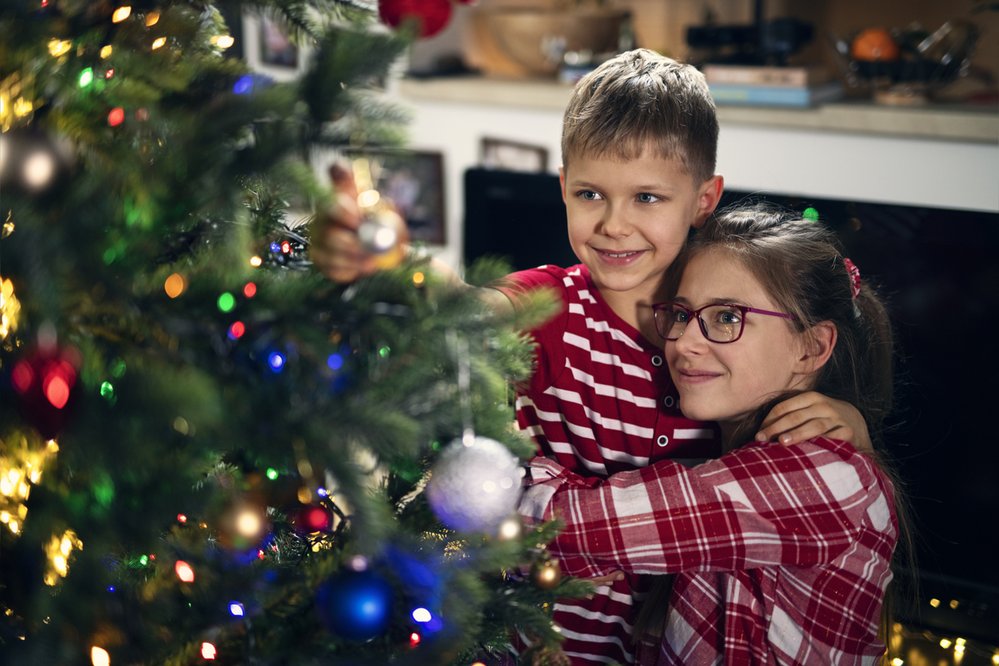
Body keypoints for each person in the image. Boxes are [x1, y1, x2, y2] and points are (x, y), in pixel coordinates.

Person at [312, 49, 872, 664]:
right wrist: (394, 267)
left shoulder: (723, 320)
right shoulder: (550, 302)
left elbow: (794, 477)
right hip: (545, 639)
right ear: (563, 189)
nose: (613, 224)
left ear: (704, 200)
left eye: (648, 198)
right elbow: (468, 309)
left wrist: (851, 426)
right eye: (590, 193)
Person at [518, 204, 907, 665]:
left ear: (812, 347)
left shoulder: (827, 474)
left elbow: (571, 526)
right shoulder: (723, 460)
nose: (683, 342)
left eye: (726, 317)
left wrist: (491, 478)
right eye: (681, 315)